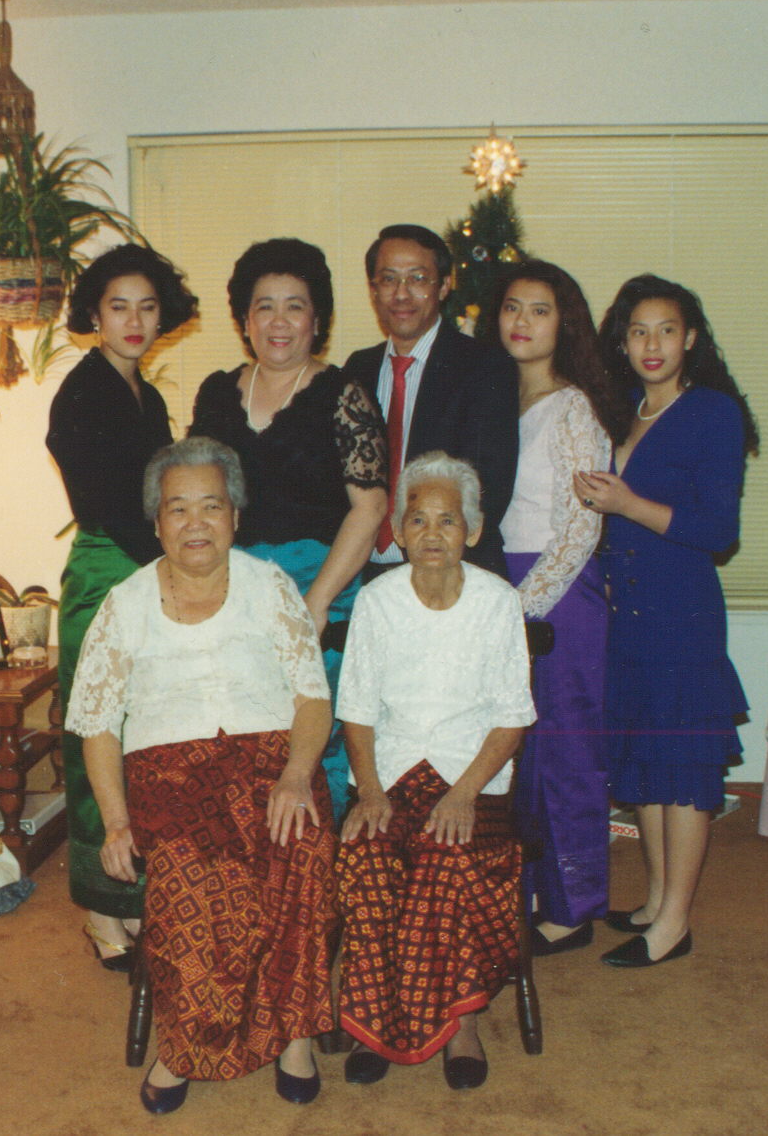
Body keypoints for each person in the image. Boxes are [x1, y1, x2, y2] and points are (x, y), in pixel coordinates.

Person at [66, 437, 337, 1114]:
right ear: (156, 522)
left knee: (298, 846)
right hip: (171, 772)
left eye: (211, 506)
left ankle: (295, 1033)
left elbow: (311, 696)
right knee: (189, 867)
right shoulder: (124, 604)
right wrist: (117, 821)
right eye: (178, 508)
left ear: (235, 516)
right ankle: (182, 1044)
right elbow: (96, 722)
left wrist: (298, 776)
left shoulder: (269, 587)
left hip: (275, 762)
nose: (195, 523)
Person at [334, 452, 536, 1090]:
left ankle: (463, 1028)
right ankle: (372, 1018)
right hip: (388, 774)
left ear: (472, 531)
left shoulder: (499, 602)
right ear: (396, 530)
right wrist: (367, 791)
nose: (431, 534)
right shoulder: (377, 600)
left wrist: (463, 794)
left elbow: (512, 718)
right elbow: (358, 711)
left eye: (447, 521)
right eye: (417, 519)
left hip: (470, 777)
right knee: (366, 857)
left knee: (446, 857)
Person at [575, 275, 759, 969]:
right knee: (645, 763)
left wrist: (626, 505)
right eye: (638, 331)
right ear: (622, 343)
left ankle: (675, 922)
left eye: (667, 330)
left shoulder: (712, 412)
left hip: (680, 612)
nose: (653, 345)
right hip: (622, 612)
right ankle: (655, 898)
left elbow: (718, 530)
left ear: (691, 339)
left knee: (681, 769)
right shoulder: (619, 408)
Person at [190, 238, 389, 816]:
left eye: (295, 305)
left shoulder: (342, 394)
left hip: (318, 586)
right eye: (265, 306)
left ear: (317, 318)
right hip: (234, 588)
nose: (280, 321)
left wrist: (319, 600)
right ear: (245, 318)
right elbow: (200, 500)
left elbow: (369, 507)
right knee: (238, 731)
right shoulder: (216, 394)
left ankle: (313, 884)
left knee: (314, 737)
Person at [45, 243, 198, 973]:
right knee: (96, 741)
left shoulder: (146, 391)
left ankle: (132, 898)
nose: (134, 321)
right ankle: (105, 914)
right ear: (94, 315)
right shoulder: (83, 392)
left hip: (144, 571)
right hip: (110, 573)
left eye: (146, 306)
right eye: (118, 307)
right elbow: (111, 504)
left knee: (142, 743)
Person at [473, 260, 629, 954]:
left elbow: (580, 527)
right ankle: (530, 894)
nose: (522, 323)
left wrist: (519, 607)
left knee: (564, 751)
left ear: (564, 323)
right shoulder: (497, 399)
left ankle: (572, 907)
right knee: (517, 754)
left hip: (557, 594)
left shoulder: (574, 407)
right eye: (512, 307)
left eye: (539, 310)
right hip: (504, 583)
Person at [341, 223, 518, 578]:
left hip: (454, 573)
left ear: (445, 285)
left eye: (418, 279)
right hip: (367, 574)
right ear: (373, 290)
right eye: (389, 280)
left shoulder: (484, 366)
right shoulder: (358, 368)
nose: (401, 295)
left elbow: (488, 487)